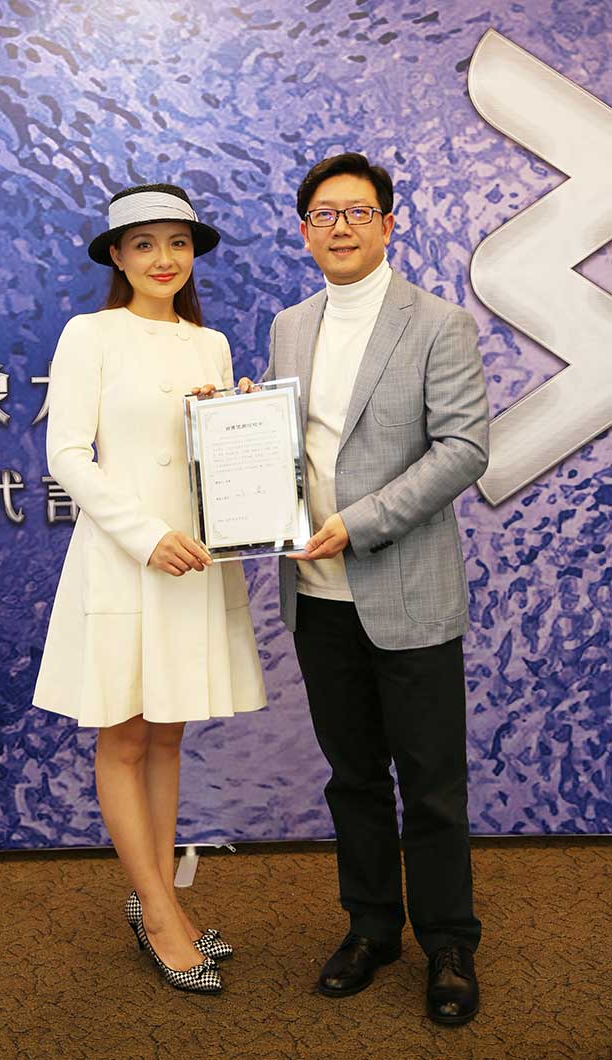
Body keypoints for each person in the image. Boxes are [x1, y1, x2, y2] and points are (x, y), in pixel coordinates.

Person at [241, 152, 488, 1023]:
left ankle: (449, 943)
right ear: (303, 231)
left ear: (388, 223)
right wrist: (238, 425)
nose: (339, 227)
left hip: (406, 588)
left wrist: (363, 520)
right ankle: (372, 927)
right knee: (352, 777)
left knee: (431, 784)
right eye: (323, 215)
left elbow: (463, 449)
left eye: (356, 212)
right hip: (316, 594)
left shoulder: (439, 323)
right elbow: (288, 441)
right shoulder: (289, 325)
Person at [32, 182, 266, 995]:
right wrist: (144, 535)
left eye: (177, 242)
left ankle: (159, 897)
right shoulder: (89, 334)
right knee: (124, 737)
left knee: (168, 736)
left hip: (193, 563)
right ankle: (161, 915)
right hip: (127, 559)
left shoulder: (212, 344)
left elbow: (215, 459)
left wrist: (242, 427)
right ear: (117, 257)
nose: (164, 259)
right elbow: (67, 454)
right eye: (143, 244)